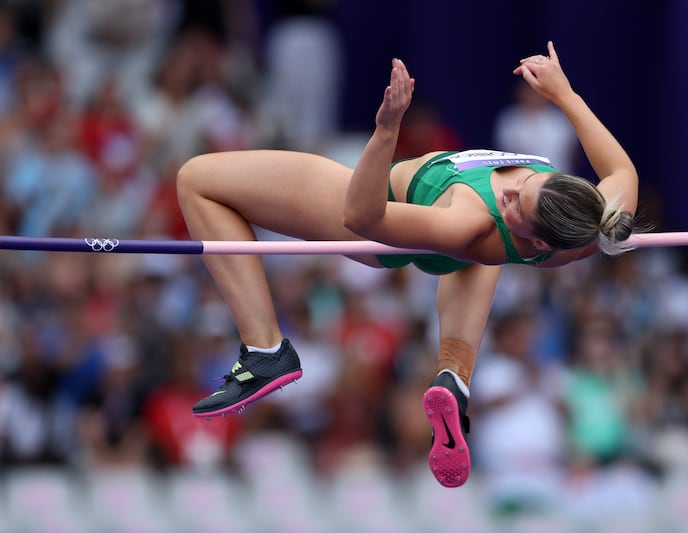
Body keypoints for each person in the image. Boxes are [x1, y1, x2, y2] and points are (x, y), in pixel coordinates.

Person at [176, 41, 639, 488]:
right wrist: (565, 95)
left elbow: (361, 216)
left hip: (382, 215)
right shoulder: (595, 216)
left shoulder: (470, 218)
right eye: (532, 181)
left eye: (517, 204)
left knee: (197, 179)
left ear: (537, 238)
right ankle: (454, 379)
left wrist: (386, 129)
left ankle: (264, 350)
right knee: (482, 254)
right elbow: (624, 173)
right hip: (468, 250)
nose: (510, 190)